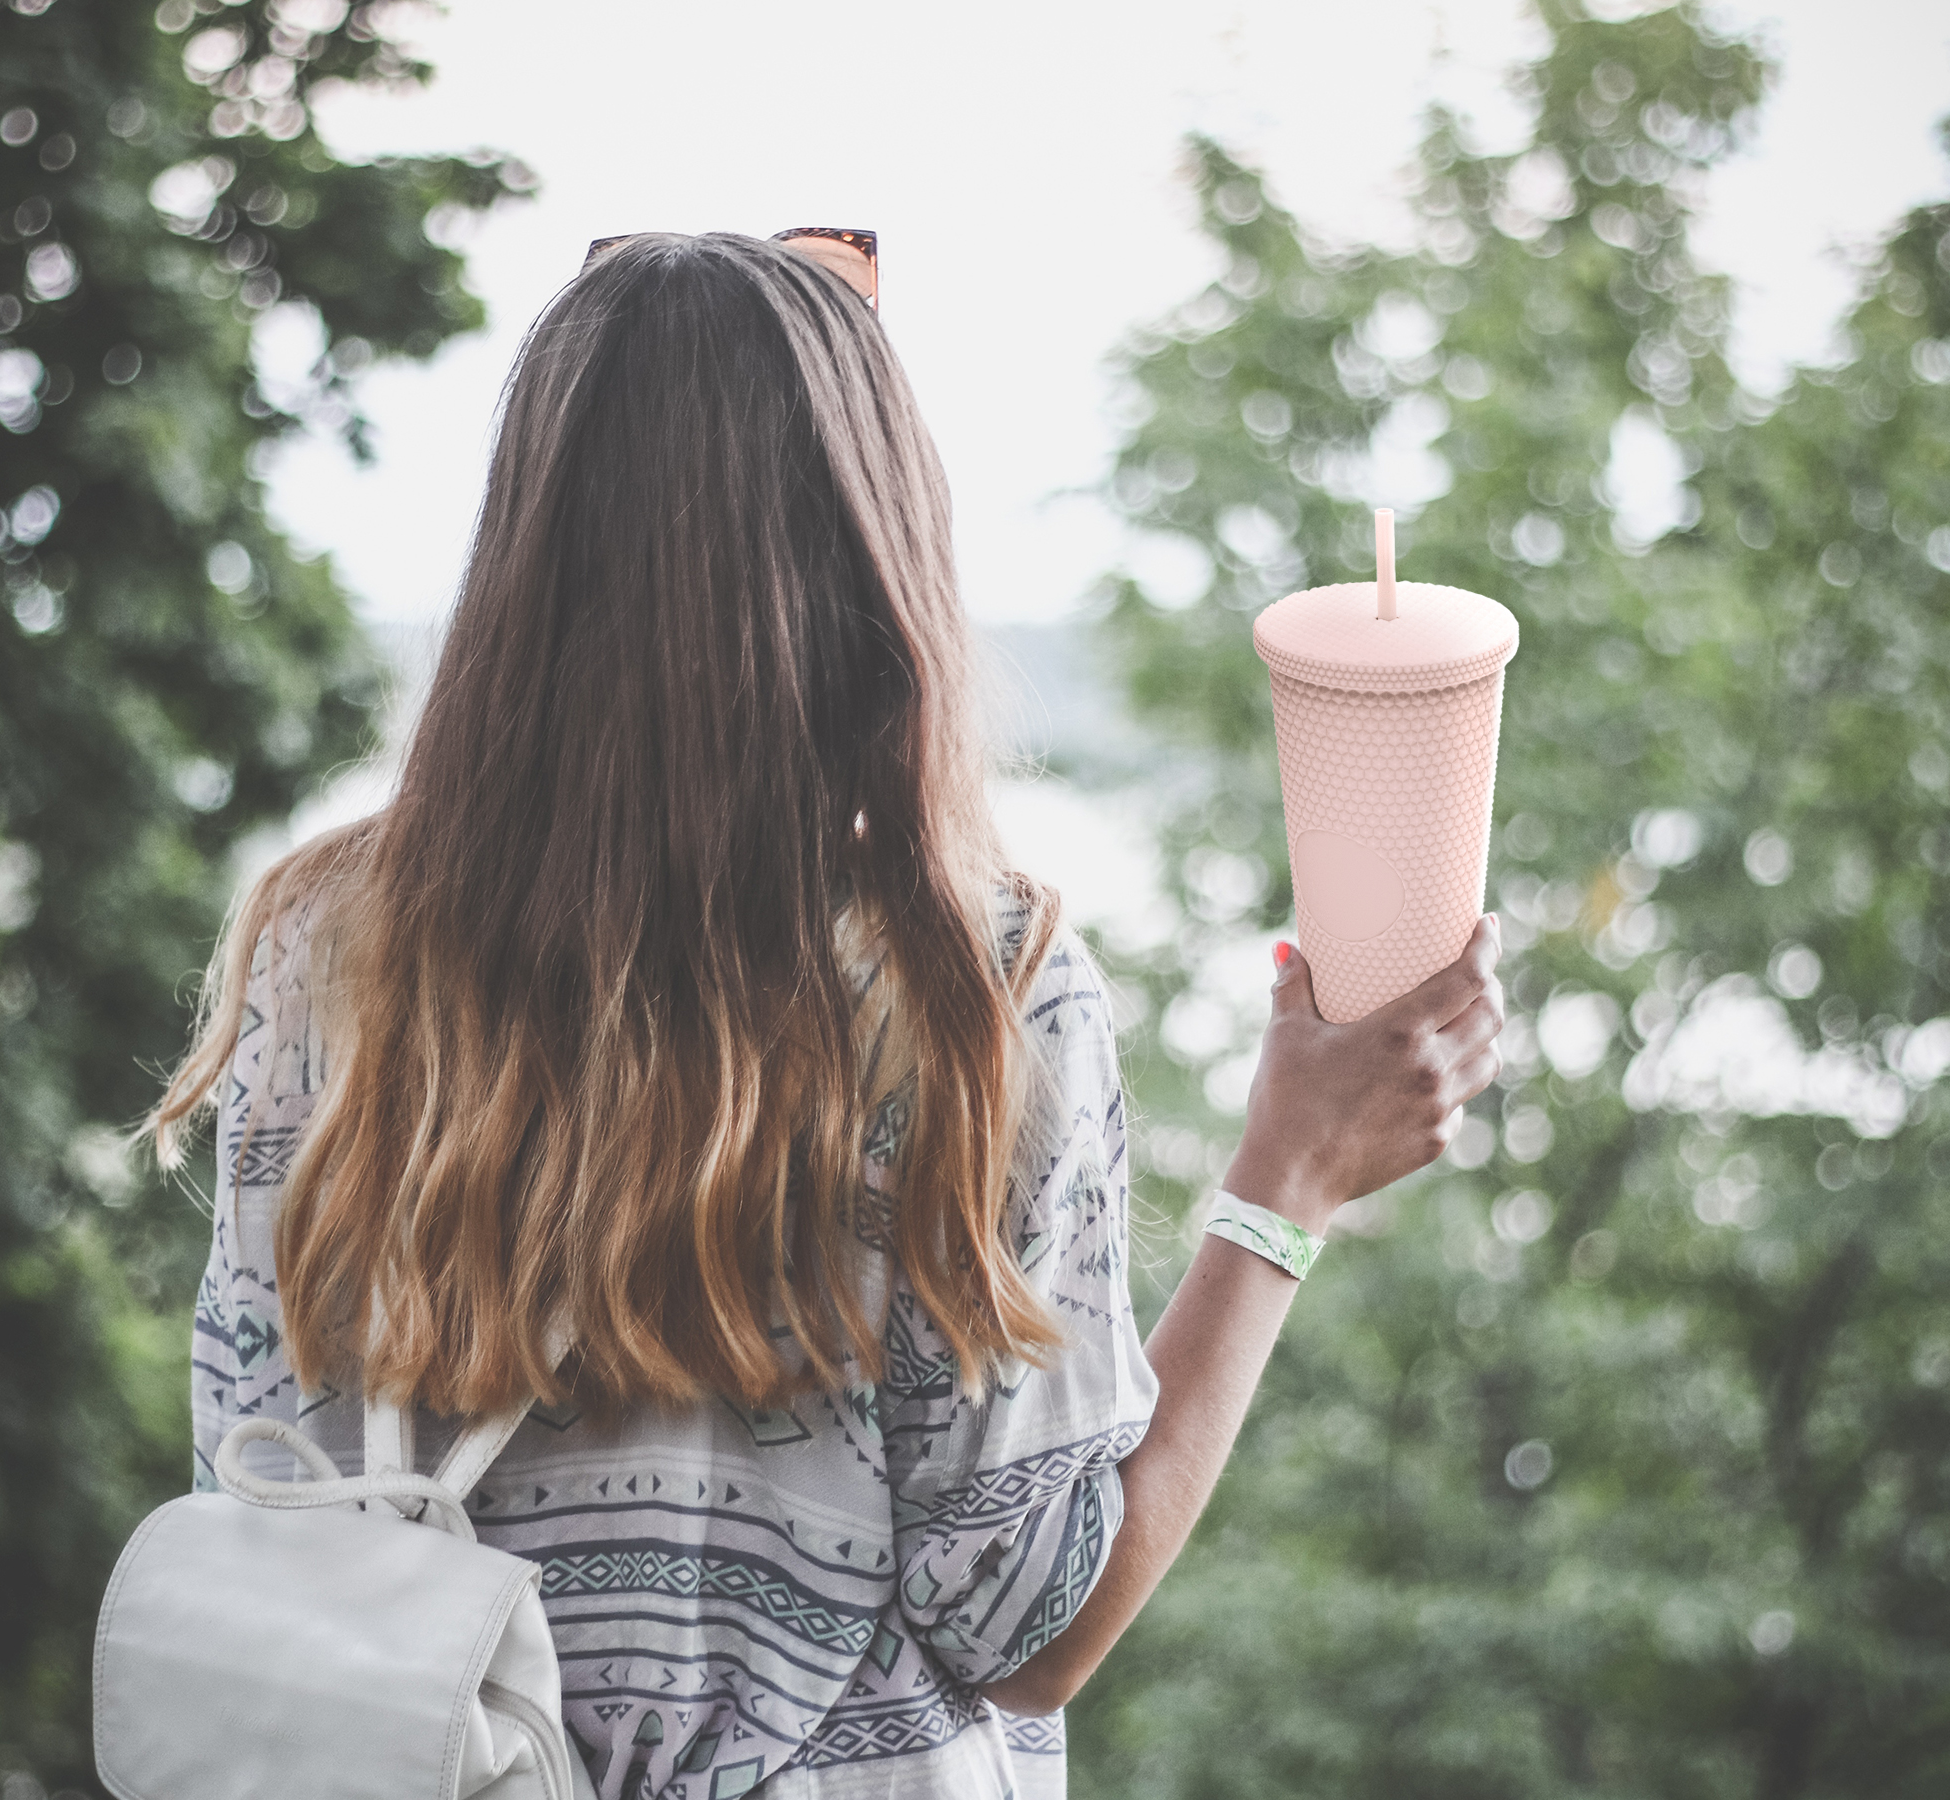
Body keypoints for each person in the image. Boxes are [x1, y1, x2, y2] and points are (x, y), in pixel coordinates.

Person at [150, 230, 1504, 1800]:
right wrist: (1288, 1184)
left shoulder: (332, 950)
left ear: (525, 545)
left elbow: (260, 1502)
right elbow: (1024, 1625)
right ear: (876, 559)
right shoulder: (965, 983)